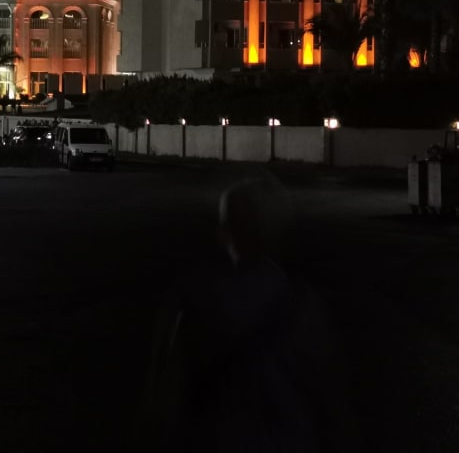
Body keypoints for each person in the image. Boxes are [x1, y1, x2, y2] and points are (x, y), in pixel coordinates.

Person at [138, 178, 359, 453]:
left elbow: (163, 400)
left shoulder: (190, 300)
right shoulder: (301, 304)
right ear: (273, 231)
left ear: (223, 232)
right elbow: (330, 398)